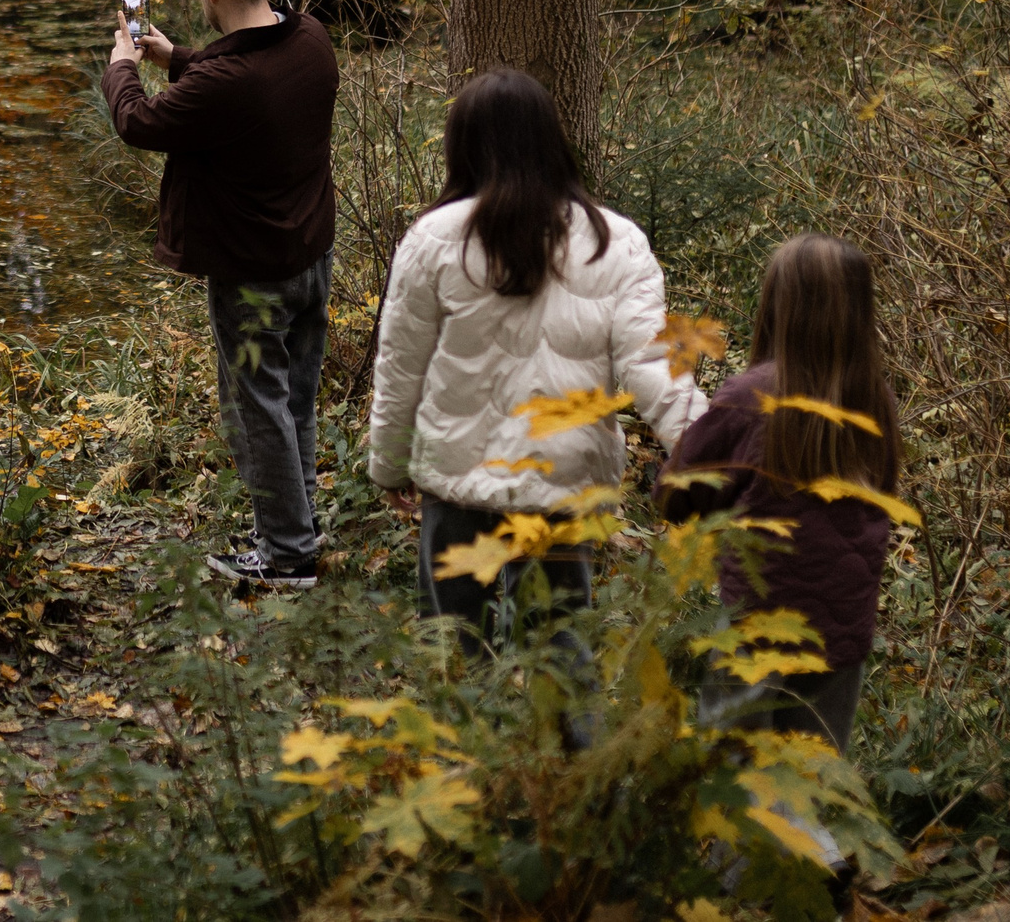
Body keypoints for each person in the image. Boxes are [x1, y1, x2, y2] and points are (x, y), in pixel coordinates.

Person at [368, 68, 704, 653]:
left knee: (454, 649)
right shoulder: (615, 240)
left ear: (461, 144)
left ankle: (462, 745)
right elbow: (655, 364)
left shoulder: (432, 238)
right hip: (564, 477)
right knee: (561, 648)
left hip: (458, 474)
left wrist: (389, 466)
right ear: (553, 139)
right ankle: (569, 745)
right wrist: (707, 447)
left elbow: (402, 369)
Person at [105, 0, 339, 589]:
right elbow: (241, 79)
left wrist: (124, 61)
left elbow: (137, 122)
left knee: (257, 404)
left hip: (253, 270)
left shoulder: (229, 83)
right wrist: (176, 54)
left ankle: (289, 557)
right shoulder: (310, 40)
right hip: (310, 253)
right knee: (295, 398)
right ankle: (299, 525)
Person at [659, 233, 903, 752]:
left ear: (777, 306)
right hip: (843, 625)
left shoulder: (751, 395)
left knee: (731, 783)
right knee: (811, 780)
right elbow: (885, 491)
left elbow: (676, 493)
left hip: (757, 620)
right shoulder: (876, 399)